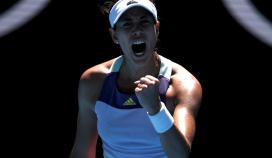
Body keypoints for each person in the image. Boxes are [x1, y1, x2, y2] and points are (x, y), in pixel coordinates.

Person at [69, 0, 202, 157]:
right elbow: (82, 152)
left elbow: (180, 155)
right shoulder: (93, 81)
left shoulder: (183, 84)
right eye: (127, 24)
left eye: (144, 22)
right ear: (114, 35)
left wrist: (156, 110)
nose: (137, 30)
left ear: (156, 29)